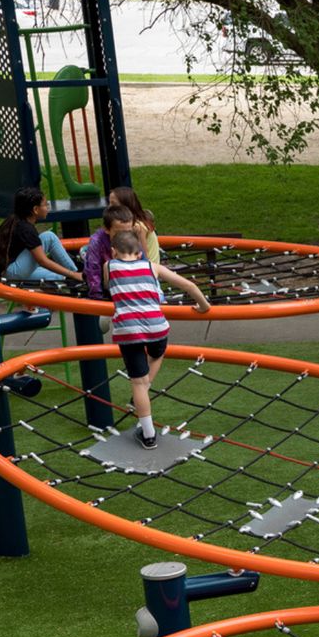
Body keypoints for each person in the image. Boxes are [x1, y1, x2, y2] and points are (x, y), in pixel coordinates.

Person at [105, 229, 210, 450]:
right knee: (157, 354)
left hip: (128, 330)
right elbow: (188, 285)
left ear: (114, 251)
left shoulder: (110, 266)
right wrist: (204, 306)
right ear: (140, 252)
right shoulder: (152, 267)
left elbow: (107, 286)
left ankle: (149, 434)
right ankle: (143, 390)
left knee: (138, 383)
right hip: (157, 327)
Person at [0, 186, 83, 284]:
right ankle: (79, 274)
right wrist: (73, 274)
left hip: (8, 271)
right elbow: (42, 261)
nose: (48, 207)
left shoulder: (15, 220)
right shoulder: (26, 229)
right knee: (49, 237)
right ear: (35, 209)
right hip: (13, 273)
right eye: (45, 204)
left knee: (58, 277)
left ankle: (76, 278)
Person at [83, 203, 134, 301]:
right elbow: (93, 270)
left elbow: (142, 261)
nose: (124, 237)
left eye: (128, 232)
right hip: (103, 283)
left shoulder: (131, 238)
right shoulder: (97, 242)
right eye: (119, 233)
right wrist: (97, 296)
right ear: (107, 229)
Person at [108, 185, 160, 263]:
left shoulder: (137, 226)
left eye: (113, 204)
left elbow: (144, 257)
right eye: (109, 203)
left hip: (148, 268)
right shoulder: (130, 223)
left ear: (125, 205)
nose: (109, 207)